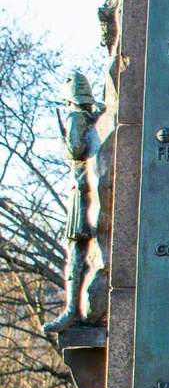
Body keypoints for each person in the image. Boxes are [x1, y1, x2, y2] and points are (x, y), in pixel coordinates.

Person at [44, 71, 104, 333]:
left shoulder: (75, 118)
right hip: (92, 191)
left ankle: (73, 310)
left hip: (82, 193)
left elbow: (75, 150)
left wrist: (65, 135)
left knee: (77, 253)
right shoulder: (96, 118)